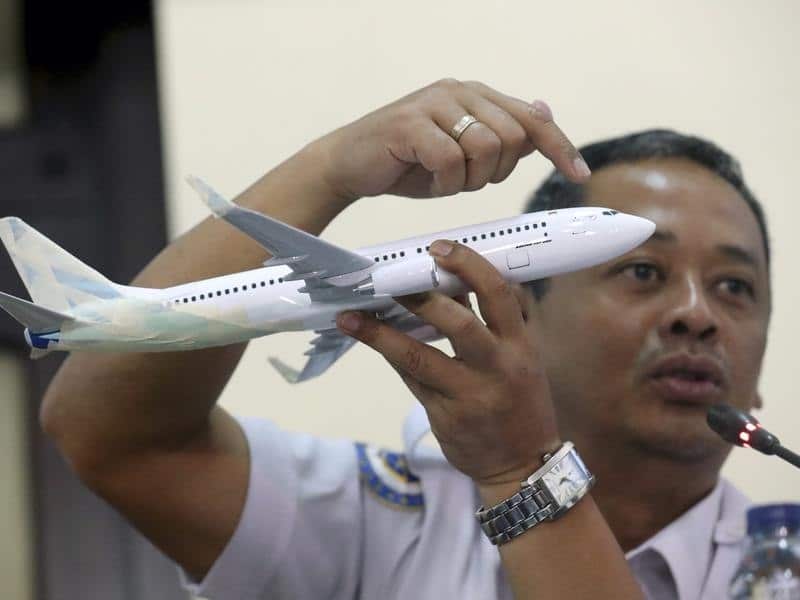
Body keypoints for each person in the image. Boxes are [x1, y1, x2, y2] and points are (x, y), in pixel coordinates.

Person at [39, 79, 770, 599]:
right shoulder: (377, 517)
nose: (696, 315)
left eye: (736, 287)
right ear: (520, 313)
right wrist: (328, 170)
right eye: (644, 271)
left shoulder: (784, 563)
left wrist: (521, 475)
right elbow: (112, 436)